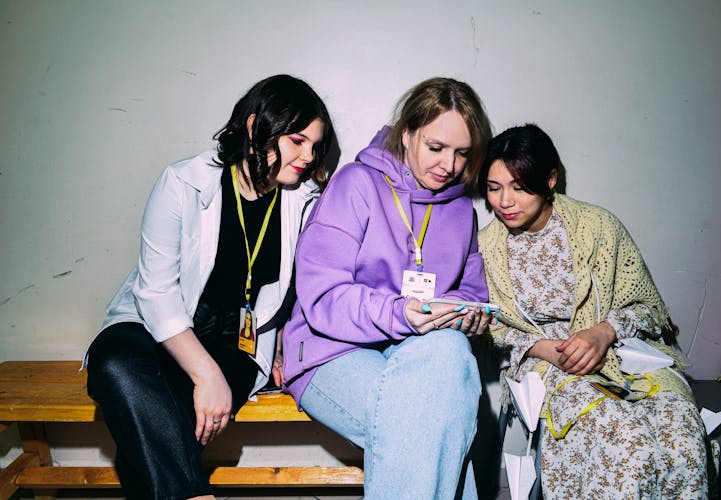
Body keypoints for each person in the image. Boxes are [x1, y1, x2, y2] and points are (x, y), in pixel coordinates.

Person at [85, 74, 334, 500]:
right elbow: (156, 294)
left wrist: (282, 346)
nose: (309, 156)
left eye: (315, 145)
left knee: (166, 424)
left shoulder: (307, 200)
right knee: (112, 364)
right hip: (156, 325)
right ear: (256, 128)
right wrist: (206, 375)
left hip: (235, 341)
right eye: (297, 141)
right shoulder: (182, 183)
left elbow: (307, 286)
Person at [280, 77, 493, 499]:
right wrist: (400, 313)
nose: (449, 166)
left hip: (420, 354)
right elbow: (322, 297)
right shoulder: (356, 183)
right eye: (436, 148)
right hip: (331, 351)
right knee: (436, 421)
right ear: (408, 133)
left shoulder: (460, 211)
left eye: (462, 153)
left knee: (448, 355)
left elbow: (472, 293)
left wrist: (467, 315)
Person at [477, 124, 709, 498]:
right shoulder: (486, 248)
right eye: (494, 187)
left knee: (682, 438)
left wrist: (604, 332)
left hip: (629, 359)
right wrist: (539, 348)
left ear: (550, 179)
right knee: (627, 445)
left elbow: (649, 309)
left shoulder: (598, 226)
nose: (504, 201)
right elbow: (489, 329)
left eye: (519, 187)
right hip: (552, 367)